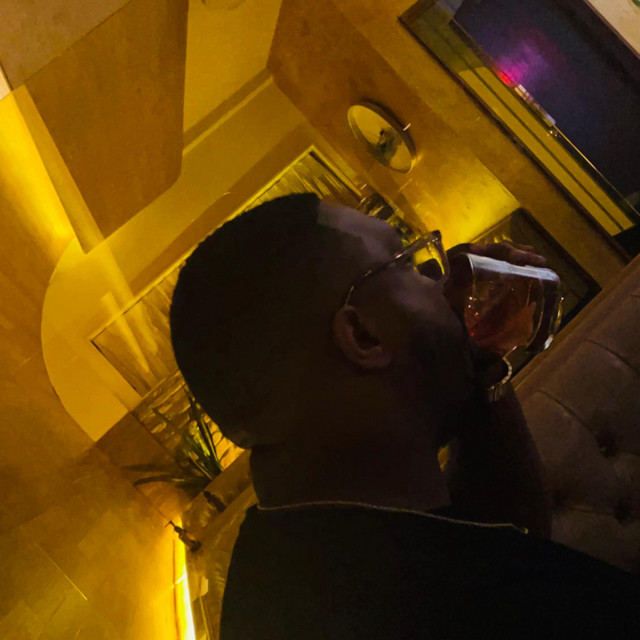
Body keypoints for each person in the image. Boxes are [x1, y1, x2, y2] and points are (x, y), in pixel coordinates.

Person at [170, 193, 639, 639]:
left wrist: (476, 358)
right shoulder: (420, 615)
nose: (445, 283)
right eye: (411, 265)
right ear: (363, 335)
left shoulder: (297, 560)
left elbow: (506, 538)